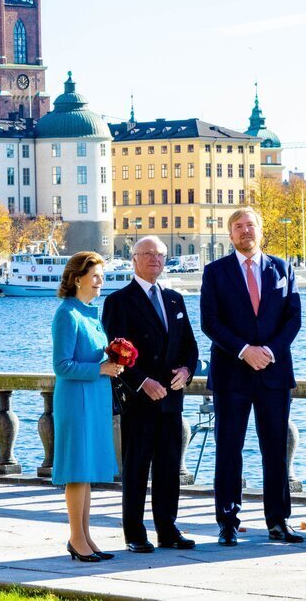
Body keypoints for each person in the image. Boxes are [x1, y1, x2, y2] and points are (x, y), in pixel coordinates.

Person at [199, 208, 303, 545]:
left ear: (261, 230)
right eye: (239, 227)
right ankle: (227, 522)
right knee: (229, 449)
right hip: (232, 373)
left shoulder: (283, 268)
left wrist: (268, 352)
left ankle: (278, 521)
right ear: (230, 235)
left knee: (276, 450)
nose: (246, 231)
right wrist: (245, 350)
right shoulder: (214, 272)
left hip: (274, 374)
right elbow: (210, 322)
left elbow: (293, 320)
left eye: (251, 225)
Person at [102, 235, 199, 553]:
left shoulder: (175, 299)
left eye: (160, 254)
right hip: (139, 401)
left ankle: (167, 529)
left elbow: (190, 347)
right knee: (136, 468)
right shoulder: (119, 301)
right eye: (148, 254)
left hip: (171, 399)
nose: (155, 259)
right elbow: (116, 353)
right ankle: (134, 532)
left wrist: (186, 371)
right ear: (133, 259)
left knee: (170, 467)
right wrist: (143, 382)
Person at [52, 251, 122, 563]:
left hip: (93, 398)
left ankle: (84, 535)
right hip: (76, 400)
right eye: (95, 276)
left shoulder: (89, 313)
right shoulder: (67, 314)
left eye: (101, 276)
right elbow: (62, 365)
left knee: (88, 469)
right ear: (77, 278)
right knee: (77, 470)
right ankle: (76, 537)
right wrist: (101, 370)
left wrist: (113, 363)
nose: (100, 282)